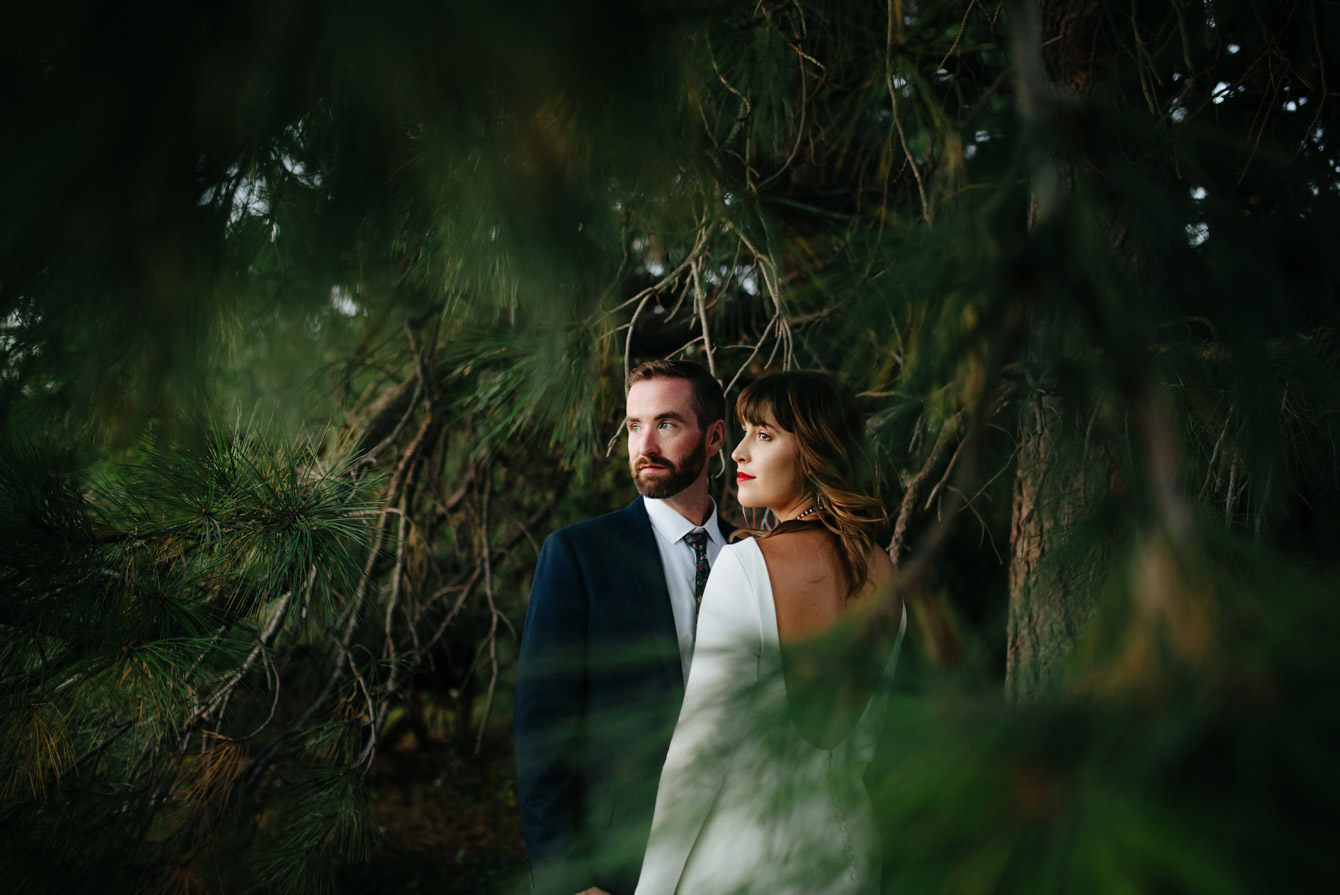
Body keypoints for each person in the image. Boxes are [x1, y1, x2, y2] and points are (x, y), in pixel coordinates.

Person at [635, 371, 907, 895]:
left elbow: (699, 758)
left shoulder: (745, 567)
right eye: (742, 433)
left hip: (746, 865)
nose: (737, 453)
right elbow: (864, 746)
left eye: (762, 435)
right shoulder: (882, 571)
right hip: (849, 859)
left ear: (814, 451)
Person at [514, 359, 733, 895]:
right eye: (634, 426)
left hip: (737, 843)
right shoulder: (579, 554)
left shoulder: (751, 554)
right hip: (621, 860)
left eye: (666, 424)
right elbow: (544, 730)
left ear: (715, 438)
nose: (645, 446)